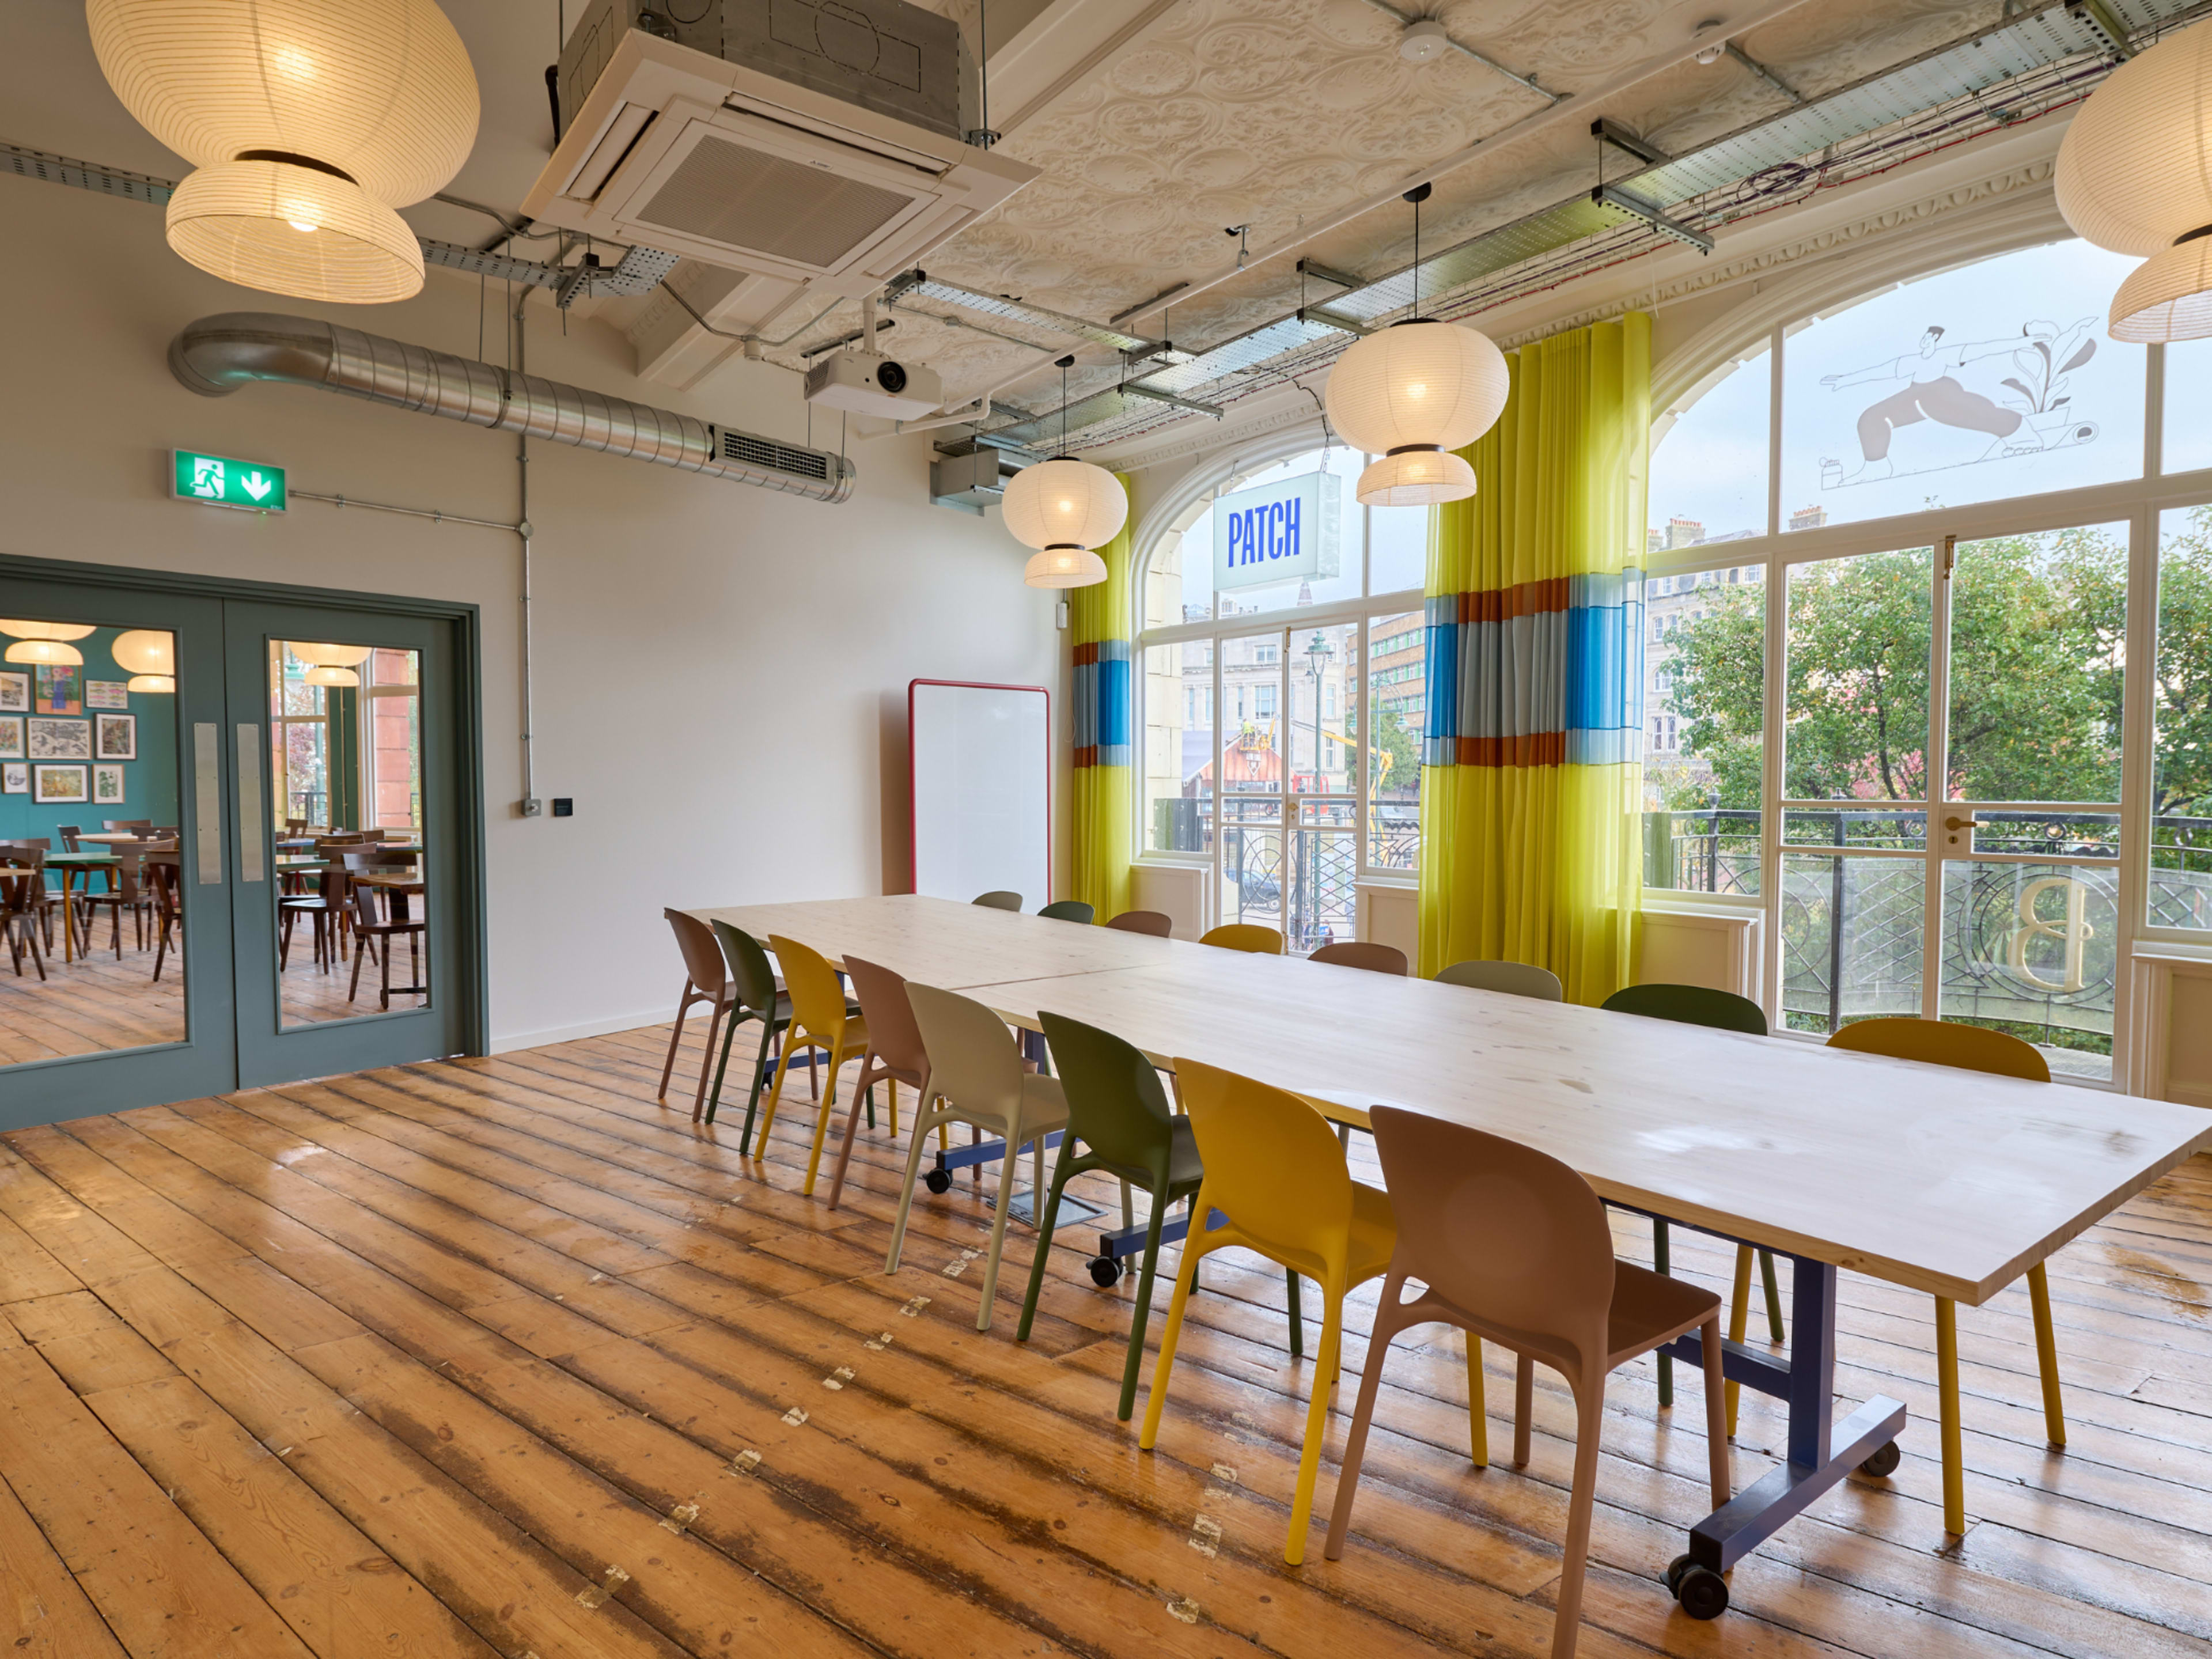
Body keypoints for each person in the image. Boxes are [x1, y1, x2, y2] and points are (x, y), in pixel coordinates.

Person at [1820, 325, 2032, 483]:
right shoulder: (1910, 361)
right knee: (1872, 417)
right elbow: (1880, 371)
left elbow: (1982, 349)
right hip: (1915, 395)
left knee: (1961, 409)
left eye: (1930, 337)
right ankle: (1876, 466)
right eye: (1924, 336)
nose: (1926, 340)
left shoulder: (1945, 355)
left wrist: (2020, 343)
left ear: (1935, 340)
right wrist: (1845, 380)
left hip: (1941, 393)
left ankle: (2018, 429)